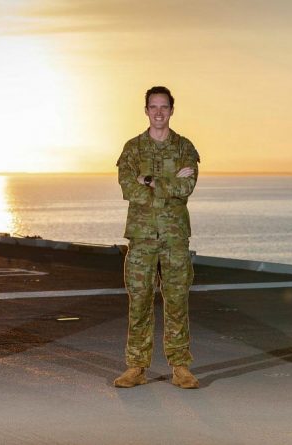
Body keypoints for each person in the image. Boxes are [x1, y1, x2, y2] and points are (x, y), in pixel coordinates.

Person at [114, 86, 201, 389]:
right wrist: (167, 184)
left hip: (175, 237)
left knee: (177, 300)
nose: (159, 113)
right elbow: (128, 188)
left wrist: (148, 181)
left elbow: (186, 188)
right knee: (139, 301)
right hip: (142, 237)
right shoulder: (133, 148)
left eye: (164, 107)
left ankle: (180, 367)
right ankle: (136, 366)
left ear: (172, 110)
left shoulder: (184, 148)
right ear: (146, 110)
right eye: (154, 107)